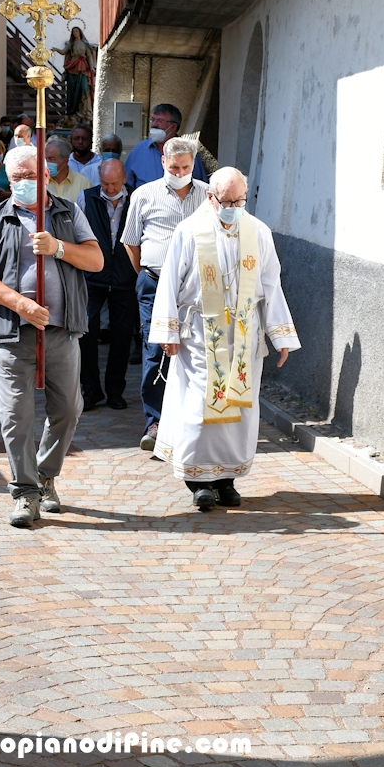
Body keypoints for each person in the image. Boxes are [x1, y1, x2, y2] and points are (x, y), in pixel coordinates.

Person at [0, 145, 103, 528]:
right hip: (12, 333)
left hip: (62, 329)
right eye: (17, 178)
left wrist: (58, 248)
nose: (25, 183)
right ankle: (25, 493)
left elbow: (96, 261)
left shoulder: (67, 212)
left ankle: (45, 475)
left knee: (68, 410)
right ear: (8, 181)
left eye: (31, 175)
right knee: (16, 417)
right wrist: (19, 304)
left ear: (46, 175)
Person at [150, 167, 301, 509]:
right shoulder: (190, 231)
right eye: (226, 200)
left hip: (244, 338)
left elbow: (271, 284)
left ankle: (226, 478)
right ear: (211, 197)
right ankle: (198, 481)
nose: (233, 206)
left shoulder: (258, 232)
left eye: (239, 200)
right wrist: (167, 330)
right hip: (201, 336)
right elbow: (170, 282)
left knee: (237, 409)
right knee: (201, 408)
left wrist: (281, 336)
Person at [122, 136, 209, 452]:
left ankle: (190, 418)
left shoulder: (208, 196)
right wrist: (148, 274)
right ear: (163, 163)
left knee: (195, 348)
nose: (181, 171)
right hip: (155, 283)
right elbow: (131, 242)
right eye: (175, 167)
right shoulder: (144, 195)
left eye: (186, 167)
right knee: (156, 348)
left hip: (197, 288)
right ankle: (155, 422)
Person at [77, 159, 137, 411]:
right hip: (92, 276)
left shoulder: (137, 199)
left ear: (123, 179)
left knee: (122, 337)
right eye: (104, 183)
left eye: (114, 183)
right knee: (85, 333)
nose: (109, 188)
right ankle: (90, 389)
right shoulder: (86, 198)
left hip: (125, 277)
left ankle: (115, 390)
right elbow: (76, 234)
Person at [125, 104, 207, 191]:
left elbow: (201, 186)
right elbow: (126, 184)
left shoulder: (188, 151)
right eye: (153, 120)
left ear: (173, 127)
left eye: (160, 120)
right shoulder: (140, 150)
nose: (154, 124)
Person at [53, 26, 96, 118]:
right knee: (73, 89)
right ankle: (74, 110)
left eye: (76, 31)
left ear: (80, 32)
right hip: (73, 67)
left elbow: (89, 55)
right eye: (73, 32)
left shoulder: (85, 43)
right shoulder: (71, 44)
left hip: (84, 67)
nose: (75, 33)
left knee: (84, 88)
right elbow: (64, 51)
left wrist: (92, 67)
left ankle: (86, 110)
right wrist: (56, 50)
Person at [44, 136, 91, 203]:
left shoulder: (84, 184)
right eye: (45, 159)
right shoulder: (38, 183)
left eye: (51, 159)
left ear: (64, 161)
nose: (46, 163)